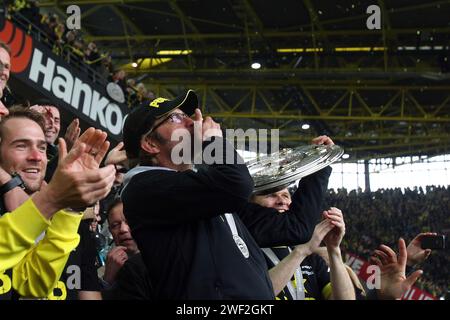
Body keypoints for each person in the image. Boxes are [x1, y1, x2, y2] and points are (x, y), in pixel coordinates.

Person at [121, 90, 333, 299]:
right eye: (175, 118)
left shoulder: (210, 191)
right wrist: (213, 141)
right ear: (150, 143)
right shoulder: (144, 188)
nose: (191, 121)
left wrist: (318, 167)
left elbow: (296, 227)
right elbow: (236, 183)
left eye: (186, 115)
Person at [0, 107, 115, 298]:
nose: (37, 157)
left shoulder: (64, 217)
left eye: (42, 148)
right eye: (21, 145)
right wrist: (51, 199)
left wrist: (71, 209)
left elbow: (32, 286)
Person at [251, 187, 355, 300]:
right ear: (250, 204)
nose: (282, 201)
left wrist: (333, 249)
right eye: (270, 195)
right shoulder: (242, 251)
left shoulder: (312, 258)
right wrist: (301, 251)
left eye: (286, 196)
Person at [101, 198, 152, 300]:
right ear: (110, 231)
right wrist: (107, 281)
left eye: (129, 221)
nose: (123, 230)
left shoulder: (164, 261)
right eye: (115, 225)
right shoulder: (105, 271)